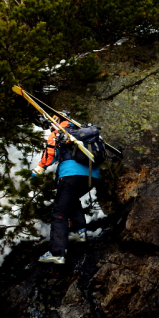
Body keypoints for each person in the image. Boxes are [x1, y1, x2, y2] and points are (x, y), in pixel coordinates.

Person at [32, 112, 99, 265]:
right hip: (92, 176)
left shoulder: (61, 131)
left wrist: (39, 169)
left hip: (71, 175)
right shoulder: (83, 131)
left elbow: (50, 153)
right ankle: (78, 230)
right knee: (71, 199)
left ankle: (57, 252)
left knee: (59, 212)